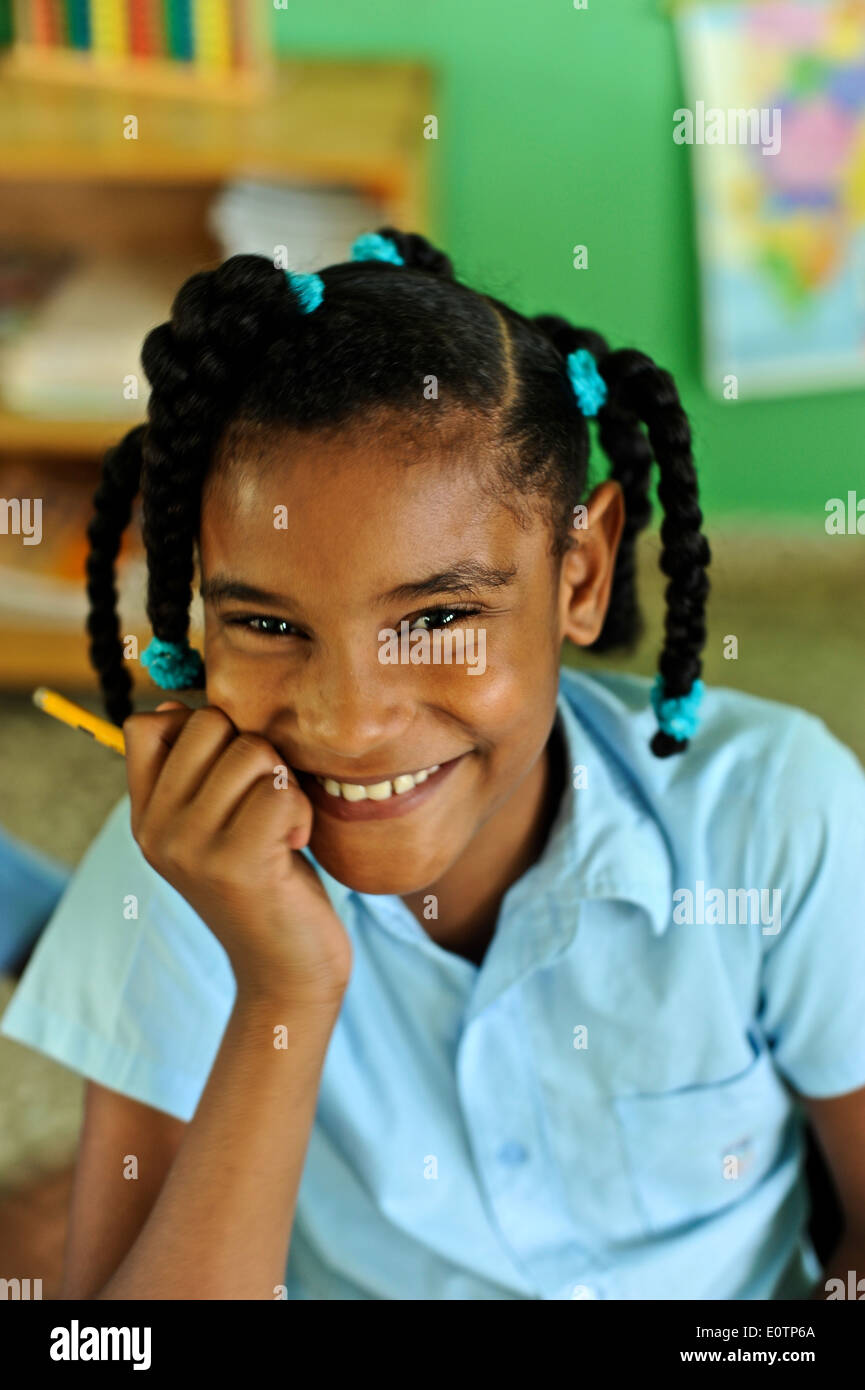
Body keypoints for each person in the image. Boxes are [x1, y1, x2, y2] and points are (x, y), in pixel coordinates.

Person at [2, 229, 864, 1301]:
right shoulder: (180, 868)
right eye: (268, 623)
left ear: (581, 573)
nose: (349, 721)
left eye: (440, 616)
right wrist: (284, 985)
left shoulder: (781, 817)